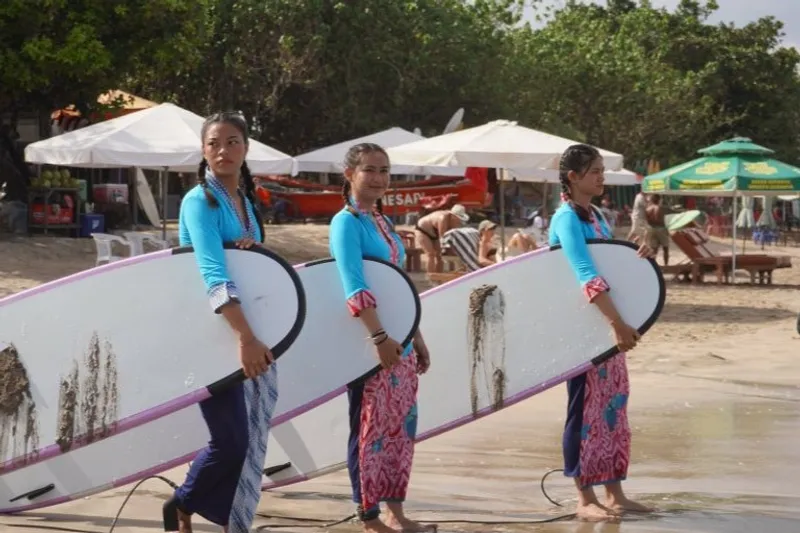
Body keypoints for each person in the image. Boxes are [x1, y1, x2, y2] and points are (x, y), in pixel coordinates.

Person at [163, 112, 276, 533]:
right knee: (231, 441)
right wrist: (245, 337)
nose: (223, 150)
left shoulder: (245, 204)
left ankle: (215, 515)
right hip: (214, 332)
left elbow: (253, 268)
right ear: (204, 151)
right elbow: (212, 271)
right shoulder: (199, 201)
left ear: (246, 149)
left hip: (244, 327)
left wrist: (254, 249)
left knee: (243, 440)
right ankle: (180, 503)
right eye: (214, 143)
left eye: (232, 142)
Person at [329, 143, 435, 533]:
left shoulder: (384, 224)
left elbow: (400, 288)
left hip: (401, 343)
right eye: (369, 170)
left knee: (399, 430)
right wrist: (379, 336)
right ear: (350, 175)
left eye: (384, 171)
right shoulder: (346, 223)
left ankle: (396, 511)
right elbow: (354, 288)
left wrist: (416, 337)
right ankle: (368, 515)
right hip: (370, 345)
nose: (377, 178)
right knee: (368, 429)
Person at [549, 144, 655, 522]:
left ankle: (614, 492)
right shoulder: (566, 218)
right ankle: (583, 497)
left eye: (601, 170)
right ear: (573, 177)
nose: (601, 177)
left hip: (608, 327)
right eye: (594, 171)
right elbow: (583, 271)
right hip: (584, 330)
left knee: (612, 407)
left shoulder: (595, 216)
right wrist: (616, 323)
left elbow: (611, 264)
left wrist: (634, 257)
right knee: (583, 410)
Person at [414, 204, 470, 273]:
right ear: (452, 215)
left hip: (435, 233)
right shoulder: (443, 218)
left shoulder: (456, 221)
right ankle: (430, 278)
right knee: (431, 254)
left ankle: (438, 278)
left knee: (439, 256)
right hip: (422, 230)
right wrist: (448, 250)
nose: (458, 220)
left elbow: (453, 237)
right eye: (457, 218)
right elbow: (443, 238)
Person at [645, 194, 670, 265]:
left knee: (654, 249)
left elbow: (647, 220)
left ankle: (653, 265)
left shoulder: (648, 209)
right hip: (661, 229)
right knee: (665, 248)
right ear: (658, 200)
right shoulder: (658, 208)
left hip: (652, 229)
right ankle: (666, 265)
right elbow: (657, 218)